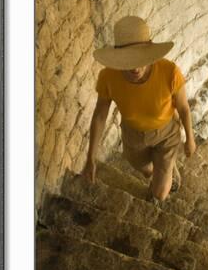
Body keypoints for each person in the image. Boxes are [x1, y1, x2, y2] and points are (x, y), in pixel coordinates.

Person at [81, 15, 196, 205]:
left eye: (140, 59)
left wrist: (190, 139)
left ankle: (166, 169)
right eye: (128, 61)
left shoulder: (169, 72)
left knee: (159, 193)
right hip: (133, 134)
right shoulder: (108, 77)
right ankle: (161, 170)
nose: (135, 68)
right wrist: (90, 158)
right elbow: (100, 116)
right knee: (146, 170)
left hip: (166, 133)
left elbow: (183, 107)